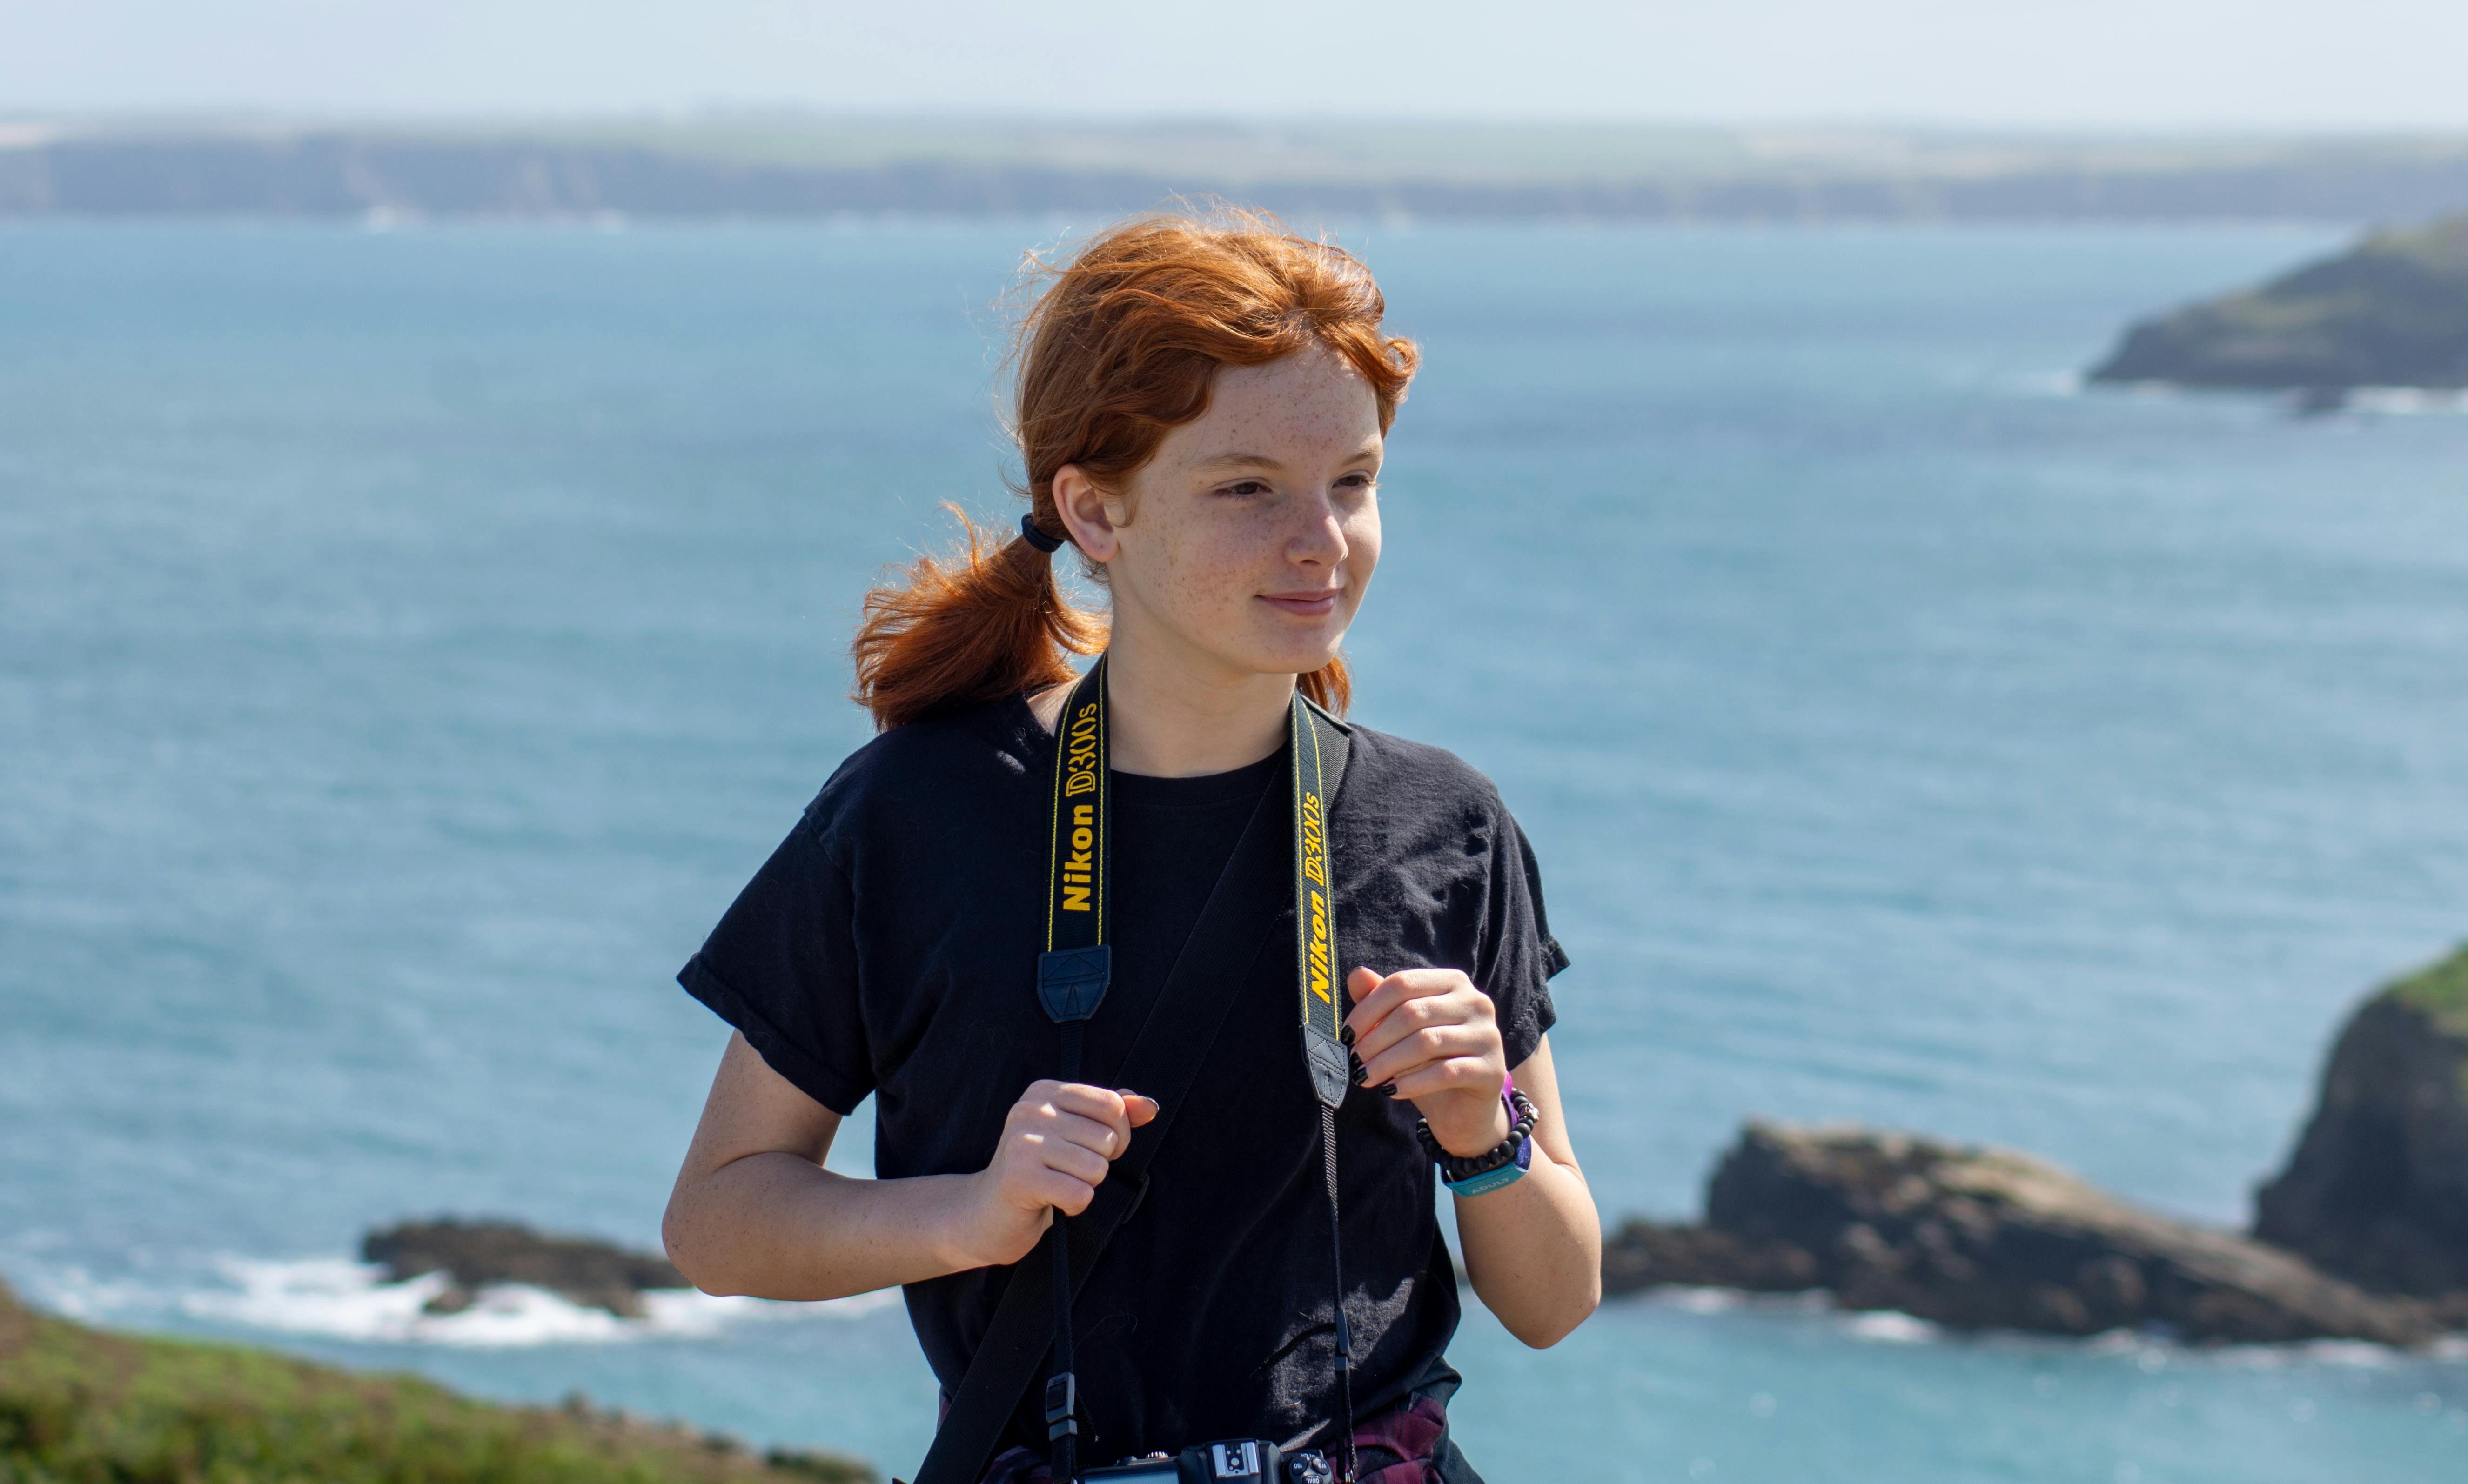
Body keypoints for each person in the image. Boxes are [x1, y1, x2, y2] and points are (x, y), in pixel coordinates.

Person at [661, 208, 1600, 1484]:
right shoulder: (912, 813)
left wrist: (1480, 1130)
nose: (1321, 537)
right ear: (1096, 513)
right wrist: (970, 1215)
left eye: (1354, 482)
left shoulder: (1446, 826)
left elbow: (1555, 1298)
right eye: (1247, 488)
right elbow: (718, 1221)